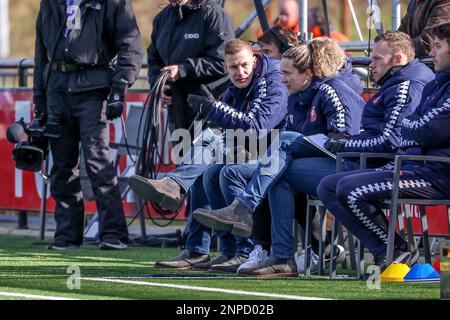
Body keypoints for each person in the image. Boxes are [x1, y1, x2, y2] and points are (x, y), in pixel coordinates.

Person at [251, 31, 435, 276]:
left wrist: (347, 145)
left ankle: (281, 250)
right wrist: (347, 143)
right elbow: (378, 135)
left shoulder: (404, 87)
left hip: (379, 165)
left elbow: (391, 141)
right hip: (366, 160)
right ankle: (274, 246)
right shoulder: (396, 84)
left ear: (397, 59)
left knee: (282, 169)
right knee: (280, 160)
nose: (370, 65)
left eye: (377, 59)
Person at [193, 38, 365, 276]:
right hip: (310, 164)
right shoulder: (296, 95)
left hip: (345, 166)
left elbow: (343, 140)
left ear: (307, 73)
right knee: (261, 171)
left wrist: (297, 144)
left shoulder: (331, 90)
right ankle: (276, 254)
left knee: (280, 152)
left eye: (287, 73)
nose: (281, 78)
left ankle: (249, 219)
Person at [128, 39, 289, 270]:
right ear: (225, 68)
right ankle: (212, 248)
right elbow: (219, 119)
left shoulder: (270, 80)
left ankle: (244, 250)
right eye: (233, 67)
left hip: (277, 153)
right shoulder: (238, 85)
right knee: (206, 167)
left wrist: (212, 108)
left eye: (244, 65)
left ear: (254, 61)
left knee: (222, 167)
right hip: (254, 148)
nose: (240, 72)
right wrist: (209, 114)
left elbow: (258, 126)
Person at [317, 23, 450, 272]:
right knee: (328, 186)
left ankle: (393, 250)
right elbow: (415, 128)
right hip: (416, 165)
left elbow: (418, 131)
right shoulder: (434, 85)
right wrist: (416, 131)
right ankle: (390, 250)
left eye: (439, 47)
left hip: (438, 173)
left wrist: (346, 144)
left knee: (348, 188)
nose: (431, 53)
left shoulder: (410, 85)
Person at [33, 0, 143, 250]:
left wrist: (119, 88)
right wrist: (39, 103)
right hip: (57, 90)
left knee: (97, 161)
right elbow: (41, 55)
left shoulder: (112, 2)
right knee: (62, 166)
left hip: (93, 90)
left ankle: (113, 234)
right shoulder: (49, 2)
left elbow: (131, 45)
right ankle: (67, 236)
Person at [147, 0, 234, 131]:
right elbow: (153, 59)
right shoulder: (161, 18)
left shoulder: (213, 14)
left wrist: (183, 70)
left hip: (209, 109)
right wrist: (158, 85)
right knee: (181, 151)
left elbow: (223, 62)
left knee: (204, 152)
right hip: (176, 109)